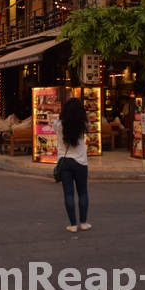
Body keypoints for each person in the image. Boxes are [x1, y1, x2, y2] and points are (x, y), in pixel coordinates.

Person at [53, 97, 91, 233]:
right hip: (81, 162)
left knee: (68, 194)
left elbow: (56, 127)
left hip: (64, 161)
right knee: (83, 193)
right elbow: (90, 125)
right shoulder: (83, 124)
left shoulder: (58, 124)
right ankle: (83, 222)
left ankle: (73, 224)